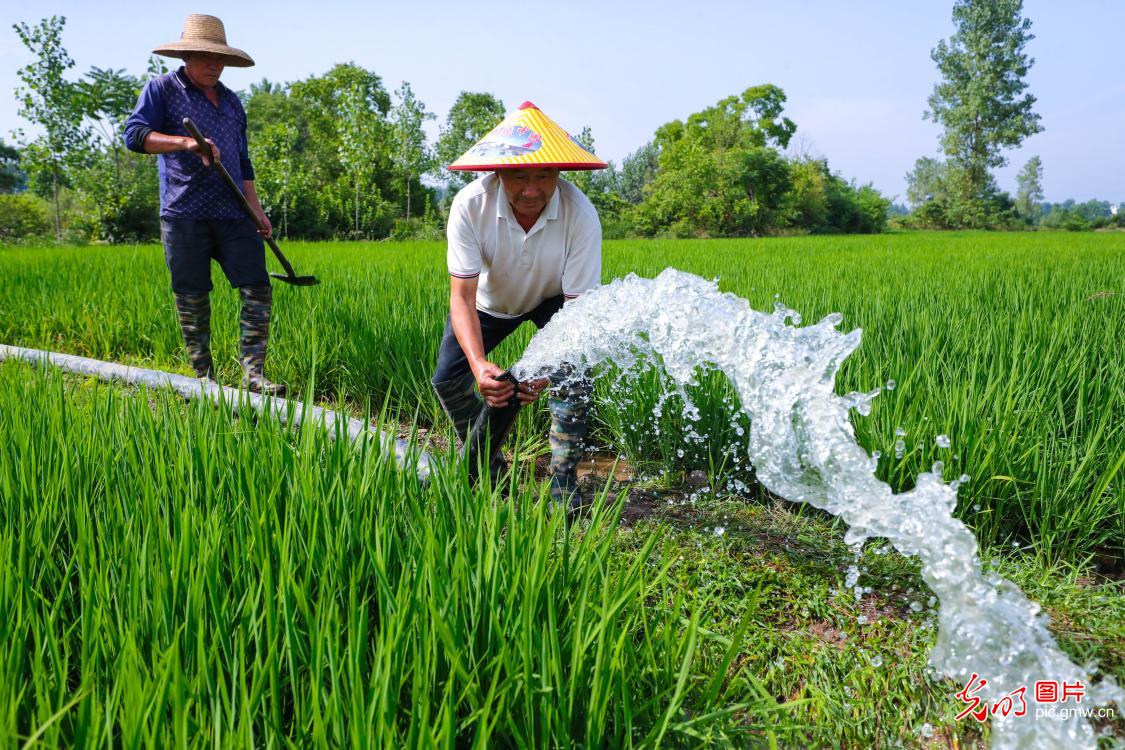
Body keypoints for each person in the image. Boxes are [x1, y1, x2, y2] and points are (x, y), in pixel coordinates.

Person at [433, 101, 606, 510]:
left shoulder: (580, 214)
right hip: (492, 302)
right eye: (519, 175)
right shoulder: (470, 206)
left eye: (544, 174)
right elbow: (462, 296)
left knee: (573, 377)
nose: (532, 189)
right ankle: (489, 465)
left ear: (560, 172)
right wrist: (479, 367)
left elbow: (579, 311)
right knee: (447, 379)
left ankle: (564, 482)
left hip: (554, 303)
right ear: (497, 172)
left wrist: (546, 369)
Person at [123, 13, 284, 395]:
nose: (214, 65)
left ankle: (254, 374)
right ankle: (204, 377)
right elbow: (134, 135)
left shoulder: (231, 102)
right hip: (184, 213)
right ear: (187, 57)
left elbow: (243, 160)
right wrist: (185, 143)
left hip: (233, 213)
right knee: (192, 295)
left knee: (257, 288)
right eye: (205, 57)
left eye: (220, 59)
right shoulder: (162, 89)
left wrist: (255, 208)